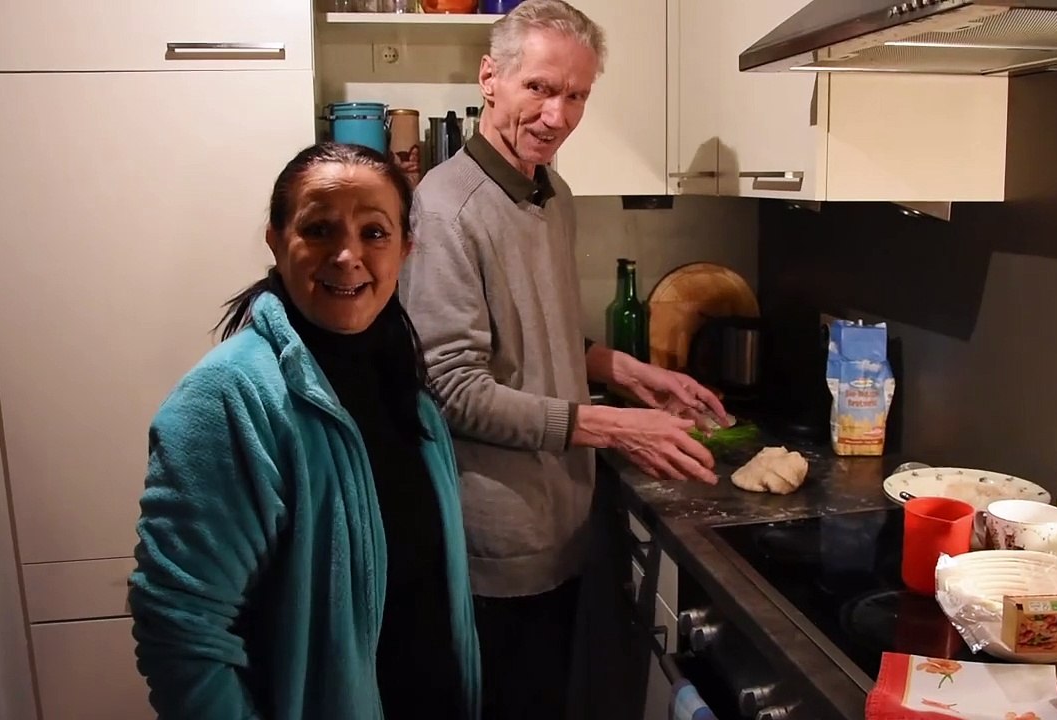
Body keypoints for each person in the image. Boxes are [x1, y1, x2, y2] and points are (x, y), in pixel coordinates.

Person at [398, 1, 729, 717]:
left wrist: (628, 372)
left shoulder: (551, 194)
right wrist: (614, 428)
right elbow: (453, 387)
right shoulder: (446, 209)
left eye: (576, 95)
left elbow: (534, 335)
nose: (557, 115)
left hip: (562, 525)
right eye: (540, 89)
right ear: (492, 78)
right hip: (497, 545)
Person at [128, 142, 481, 720]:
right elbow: (180, 631)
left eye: (375, 233)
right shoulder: (228, 398)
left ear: (406, 248)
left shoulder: (400, 382)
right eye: (318, 229)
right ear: (275, 238)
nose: (348, 256)